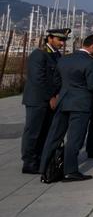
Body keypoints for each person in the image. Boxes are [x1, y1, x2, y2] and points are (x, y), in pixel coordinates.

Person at [39, 34, 93, 182]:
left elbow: (56, 82)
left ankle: (44, 168)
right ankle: (70, 171)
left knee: (54, 136)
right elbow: (92, 85)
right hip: (81, 104)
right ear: (92, 46)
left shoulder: (64, 59)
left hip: (63, 102)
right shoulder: (91, 63)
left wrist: (54, 97)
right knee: (75, 138)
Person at [21, 28, 69, 174]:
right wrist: (51, 97)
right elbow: (38, 79)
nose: (62, 43)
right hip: (37, 99)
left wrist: (57, 95)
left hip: (51, 99)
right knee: (33, 131)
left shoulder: (56, 55)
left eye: (64, 40)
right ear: (50, 38)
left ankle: (41, 157)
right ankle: (29, 162)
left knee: (45, 131)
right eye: (60, 40)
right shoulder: (39, 54)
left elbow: (57, 78)